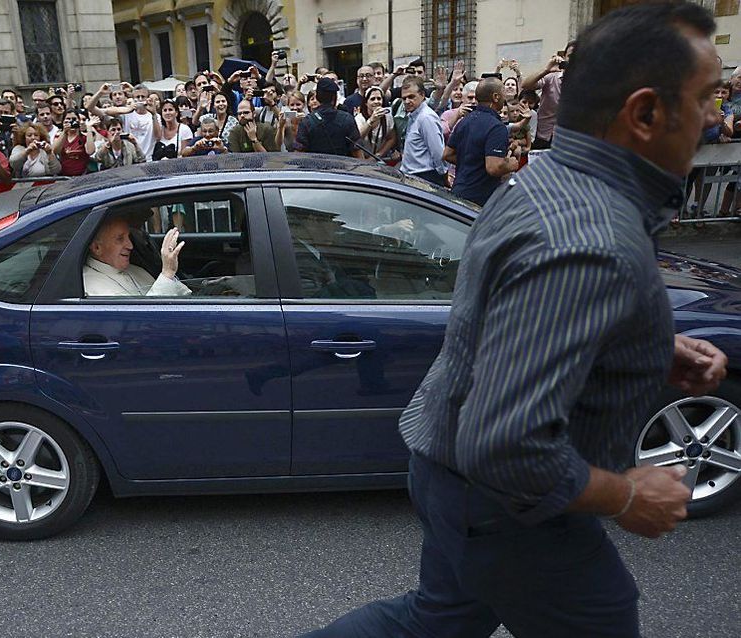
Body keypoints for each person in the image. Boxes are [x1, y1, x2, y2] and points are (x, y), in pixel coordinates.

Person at [302, 4, 726, 637]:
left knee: (436, 622)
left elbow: (522, 323)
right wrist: (629, 495)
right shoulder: (589, 236)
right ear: (644, 114)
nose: (715, 118)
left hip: (457, 477)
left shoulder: (548, 179)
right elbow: (503, 444)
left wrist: (646, 347)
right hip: (507, 504)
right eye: (706, 98)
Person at [445, 78, 520, 206]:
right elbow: (493, 167)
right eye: (503, 92)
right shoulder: (496, 127)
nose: (505, 96)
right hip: (479, 200)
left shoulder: (465, 121)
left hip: (458, 193)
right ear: (496, 97)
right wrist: (512, 164)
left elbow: (447, 154)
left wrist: (473, 161)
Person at [83, 218, 189, 297]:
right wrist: (167, 273)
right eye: (120, 239)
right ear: (97, 248)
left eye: (129, 237)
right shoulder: (91, 288)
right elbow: (144, 321)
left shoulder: (136, 270)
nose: (130, 246)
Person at [523, 40, 575, 149]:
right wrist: (546, 70)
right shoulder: (551, 77)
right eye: (570, 56)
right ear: (564, 57)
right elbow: (526, 85)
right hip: (544, 136)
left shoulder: (586, 82)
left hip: (569, 139)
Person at [294, 78, 361, 157]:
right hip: (343, 167)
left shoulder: (306, 122)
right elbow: (357, 152)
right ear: (335, 97)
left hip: (314, 168)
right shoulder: (347, 119)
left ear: (318, 97)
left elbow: (298, 154)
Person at [399, 78, 447, 186]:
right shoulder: (413, 116)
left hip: (425, 178)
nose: (407, 101)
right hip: (411, 177)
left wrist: (442, 176)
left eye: (411, 97)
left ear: (422, 95)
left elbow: (437, 152)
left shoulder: (426, 118)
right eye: (404, 98)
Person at [51, 110, 95, 177]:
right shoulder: (59, 136)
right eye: (68, 119)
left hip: (82, 175)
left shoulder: (84, 137)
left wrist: (89, 128)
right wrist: (64, 131)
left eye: (74, 119)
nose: (71, 121)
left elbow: (90, 151)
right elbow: (55, 151)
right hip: (64, 176)